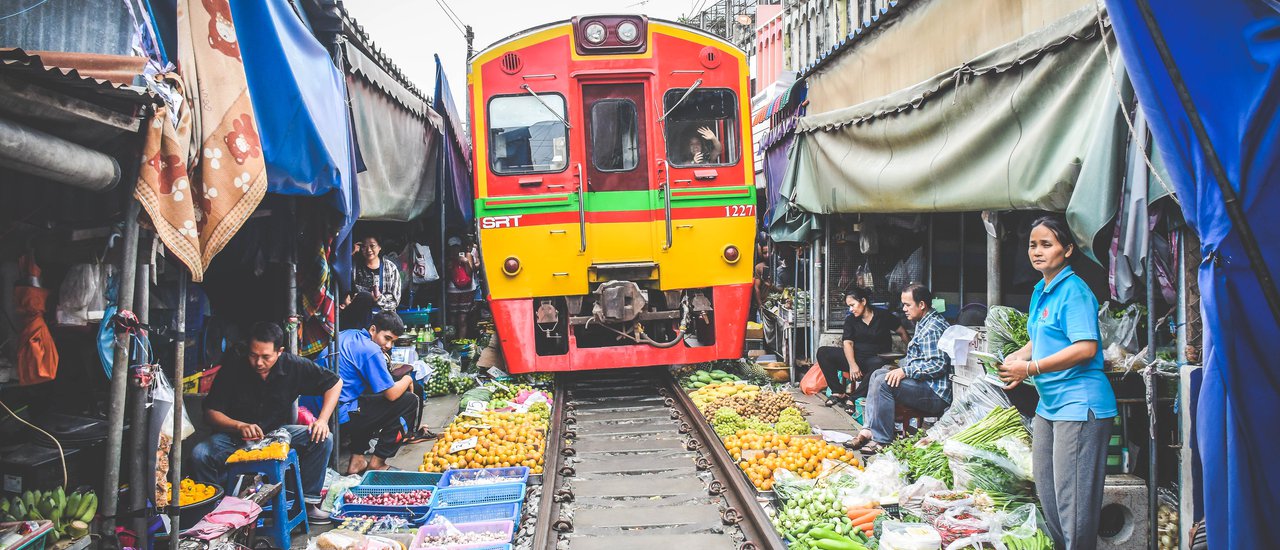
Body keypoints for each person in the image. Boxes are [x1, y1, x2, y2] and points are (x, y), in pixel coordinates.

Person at [997, 215, 1117, 550]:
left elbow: (1085, 347)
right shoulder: (1042, 290)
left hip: (1080, 405)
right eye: (1033, 245)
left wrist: (1030, 368)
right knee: (1049, 496)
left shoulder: (1074, 290)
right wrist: (1017, 357)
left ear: (1066, 249)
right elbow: (1039, 337)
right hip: (1049, 406)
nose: (1037, 251)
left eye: (1046, 244)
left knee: (1073, 504)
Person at [191, 322, 341, 524]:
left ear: (279, 352)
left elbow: (334, 382)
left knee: (323, 438)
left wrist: (322, 420)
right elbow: (210, 412)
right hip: (233, 437)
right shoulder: (234, 368)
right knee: (200, 454)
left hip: (274, 435)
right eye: (253, 355)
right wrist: (239, 426)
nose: (258, 362)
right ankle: (215, 510)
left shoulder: (293, 366)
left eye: (265, 357)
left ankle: (307, 504)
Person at [845, 284, 951, 452]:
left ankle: (882, 440)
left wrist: (905, 371)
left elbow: (937, 365)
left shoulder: (933, 327)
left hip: (934, 393)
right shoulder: (923, 322)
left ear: (921, 305)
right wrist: (900, 368)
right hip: (923, 385)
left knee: (882, 382)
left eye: (908, 305)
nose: (904, 309)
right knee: (878, 373)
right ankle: (868, 429)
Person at [325, 311, 429, 474]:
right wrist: (408, 380)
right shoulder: (371, 350)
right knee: (409, 401)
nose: (389, 346)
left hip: (325, 409)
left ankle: (357, 459)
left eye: (393, 342)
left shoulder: (347, 334)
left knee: (369, 398)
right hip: (338, 415)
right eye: (387, 338)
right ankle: (378, 462)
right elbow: (392, 394)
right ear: (373, 330)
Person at [815, 287, 908, 412]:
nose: (851, 309)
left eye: (853, 305)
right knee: (823, 352)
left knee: (879, 365)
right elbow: (847, 343)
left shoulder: (883, 316)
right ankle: (838, 392)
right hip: (856, 357)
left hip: (876, 359)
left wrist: (911, 352)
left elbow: (902, 332)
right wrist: (852, 365)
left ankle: (853, 398)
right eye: (849, 306)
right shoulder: (851, 320)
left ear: (863, 301)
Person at [353, 236, 402, 311]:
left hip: (383, 316)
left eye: (372, 246)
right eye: (364, 246)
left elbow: (395, 301)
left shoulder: (391, 268)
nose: (368, 250)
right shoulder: (354, 267)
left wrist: (378, 299)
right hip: (360, 315)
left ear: (379, 247)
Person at [446, 236, 477, 339]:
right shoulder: (449, 259)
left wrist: (466, 262)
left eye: (457, 247)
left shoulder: (467, 256)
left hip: (467, 289)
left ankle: (461, 342)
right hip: (453, 290)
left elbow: (470, 273)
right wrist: (450, 267)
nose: (455, 249)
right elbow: (448, 277)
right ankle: (452, 341)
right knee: (453, 318)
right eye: (453, 247)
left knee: (462, 318)